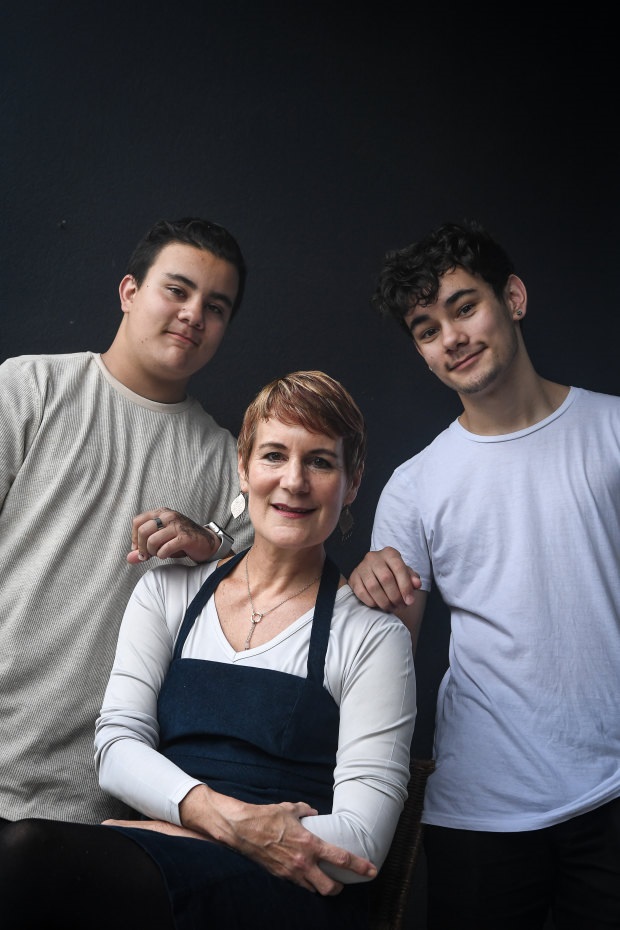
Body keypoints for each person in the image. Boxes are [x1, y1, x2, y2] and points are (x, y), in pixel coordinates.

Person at [0, 370, 416, 930]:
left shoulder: (372, 636)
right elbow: (116, 748)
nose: (293, 481)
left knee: (27, 855)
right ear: (242, 468)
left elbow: (361, 844)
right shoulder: (168, 590)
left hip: (287, 889)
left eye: (320, 461)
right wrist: (228, 821)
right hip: (158, 869)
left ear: (354, 481)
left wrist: (180, 829)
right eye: (273, 456)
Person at [348, 220, 620, 929]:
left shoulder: (614, 432)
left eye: (464, 307)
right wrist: (364, 594)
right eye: (426, 329)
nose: (452, 338)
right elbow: (386, 660)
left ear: (515, 298)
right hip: (481, 808)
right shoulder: (415, 486)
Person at [0, 217, 253, 827]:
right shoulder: (29, 388)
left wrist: (212, 543)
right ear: (129, 291)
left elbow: (274, 571)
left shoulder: (230, 463)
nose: (194, 313)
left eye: (216, 306)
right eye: (177, 289)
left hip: (94, 795)